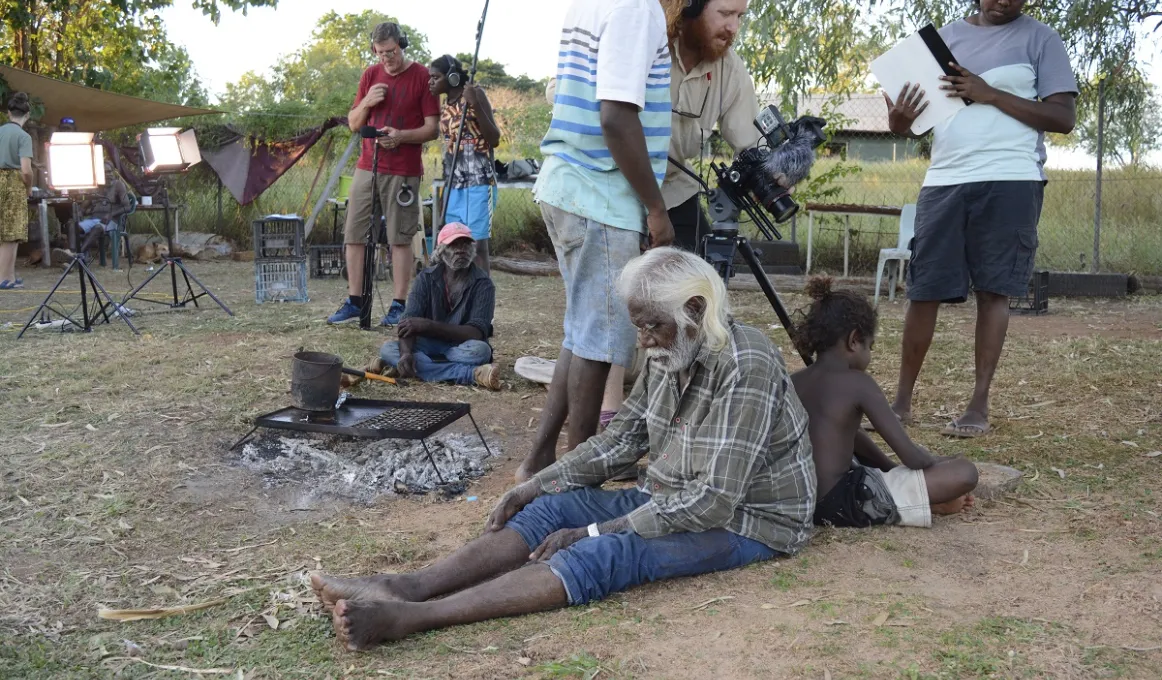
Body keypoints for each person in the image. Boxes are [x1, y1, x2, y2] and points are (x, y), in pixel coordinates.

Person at [311, 247, 816, 651]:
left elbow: (714, 502)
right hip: (673, 494)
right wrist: (534, 485)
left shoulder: (746, 363)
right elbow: (622, 440)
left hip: (750, 521)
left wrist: (596, 528)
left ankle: (413, 617)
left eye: (651, 326)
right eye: (638, 327)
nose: (643, 343)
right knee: (551, 507)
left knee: (607, 549)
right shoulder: (674, 348)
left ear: (695, 311)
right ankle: (406, 585)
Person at [883, 0, 1077, 438]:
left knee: (994, 291)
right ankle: (901, 401)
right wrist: (899, 122)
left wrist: (990, 93)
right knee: (924, 288)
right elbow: (912, 123)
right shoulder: (944, 39)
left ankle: (978, 404)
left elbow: (1063, 117)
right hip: (945, 179)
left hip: (1011, 176)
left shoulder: (1041, 40)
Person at [514, 0, 676, 482]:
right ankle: (575, 480)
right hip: (600, 193)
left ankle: (540, 463)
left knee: (582, 334)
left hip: (572, 185)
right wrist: (656, 206)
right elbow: (615, 118)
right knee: (602, 343)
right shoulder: (635, 8)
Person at [790, 277, 978, 529]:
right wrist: (936, 462)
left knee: (856, 443)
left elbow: (848, 437)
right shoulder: (858, 383)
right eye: (870, 346)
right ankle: (925, 501)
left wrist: (890, 469)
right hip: (841, 504)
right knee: (965, 472)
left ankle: (914, 498)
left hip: (798, 500)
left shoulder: (795, 381)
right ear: (854, 340)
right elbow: (912, 458)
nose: (870, 354)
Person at [328, 21, 440, 327]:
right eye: (380, 53)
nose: (386, 58)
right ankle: (355, 301)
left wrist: (400, 136)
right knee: (353, 233)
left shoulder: (421, 76)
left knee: (399, 239)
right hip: (368, 165)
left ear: (402, 44)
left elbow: (433, 128)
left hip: (403, 170)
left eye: (391, 51)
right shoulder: (370, 75)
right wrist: (366, 101)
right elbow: (353, 123)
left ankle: (399, 305)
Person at [378, 223, 500, 390]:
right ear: (441, 250)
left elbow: (476, 332)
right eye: (454, 245)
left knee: (481, 351)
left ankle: (412, 366)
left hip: (460, 346)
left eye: (465, 244)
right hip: (428, 344)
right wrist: (406, 354)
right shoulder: (425, 278)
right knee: (388, 349)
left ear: (472, 250)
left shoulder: (483, 283)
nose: (460, 249)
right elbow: (408, 323)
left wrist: (429, 325)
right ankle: (470, 374)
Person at [428, 55, 501, 274]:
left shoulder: (475, 94)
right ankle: (460, 296)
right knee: (454, 242)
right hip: (454, 183)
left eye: (435, 77)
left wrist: (476, 104)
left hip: (478, 181)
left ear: (451, 78)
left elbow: (494, 138)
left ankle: (481, 298)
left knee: (477, 246)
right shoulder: (445, 103)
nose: (430, 82)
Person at [56, 160, 132, 259]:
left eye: (109, 172)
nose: (108, 175)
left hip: (111, 221)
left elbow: (127, 207)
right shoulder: (95, 187)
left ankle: (77, 257)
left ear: (113, 172)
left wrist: (111, 214)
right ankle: (72, 253)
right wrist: (80, 212)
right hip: (94, 219)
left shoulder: (118, 185)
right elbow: (84, 206)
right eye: (104, 172)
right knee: (72, 225)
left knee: (97, 228)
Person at [0, 92, 34, 290]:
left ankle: (10, 276)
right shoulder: (23, 136)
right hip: (12, 183)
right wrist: (28, 187)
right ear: (27, 115)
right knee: (11, 234)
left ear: (8, 113)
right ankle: (4, 278)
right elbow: (26, 170)